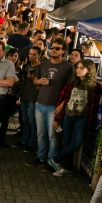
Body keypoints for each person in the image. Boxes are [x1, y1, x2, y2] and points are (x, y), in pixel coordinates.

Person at [48, 59, 100, 176]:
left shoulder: (93, 87)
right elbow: (63, 99)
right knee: (68, 144)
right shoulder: (71, 82)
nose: (78, 70)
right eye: (78, 67)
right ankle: (67, 169)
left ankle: (55, 159)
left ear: (89, 70)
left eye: (82, 68)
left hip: (81, 118)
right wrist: (57, 117)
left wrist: (90, 124)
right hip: (68, 116)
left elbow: (94, 107)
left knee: (76, 144)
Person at [28, 39, 72, 169]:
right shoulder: (43, 64)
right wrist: (39, 81)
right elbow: (34, 81)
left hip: (55, 105)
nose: (53, 50)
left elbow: (70, 88)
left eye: (57, 48)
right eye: (52, 47)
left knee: (52, 135)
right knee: (40, 133)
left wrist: (62, 105)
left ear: (63, 51)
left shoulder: (68, 67)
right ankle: (41, 157)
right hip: (40, 102)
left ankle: (51, 160)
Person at [16, 46, 42, 152]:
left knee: (32, 120)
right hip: (24, 95)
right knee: (25, 119)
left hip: (33, 96)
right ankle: (24, 140)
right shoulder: (27, 66)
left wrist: (33, 80)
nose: (31, 56)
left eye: (34, 54)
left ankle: (31, 143)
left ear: (39, 55)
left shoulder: (40, 67)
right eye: (30, 54)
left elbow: (39, 85)